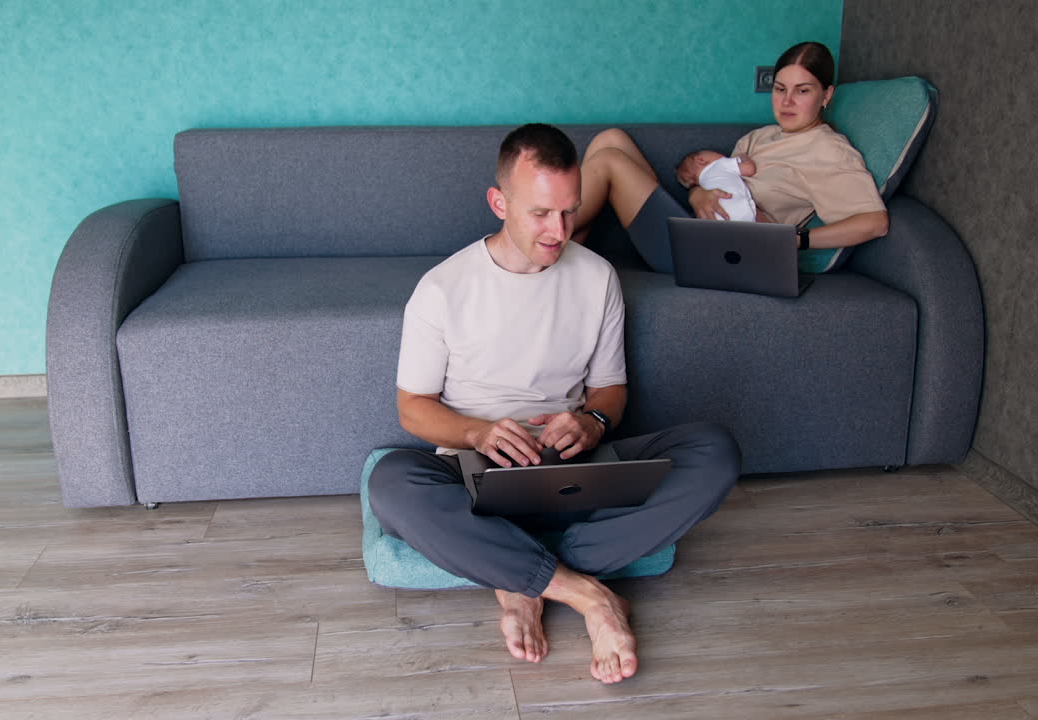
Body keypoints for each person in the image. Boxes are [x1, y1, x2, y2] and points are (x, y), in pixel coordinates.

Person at [368, 123, 740, 685]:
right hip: (474, 475)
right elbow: (413, 409)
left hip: (569, 467)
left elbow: (611, 391)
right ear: (500, 202)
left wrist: (591, 422)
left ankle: (516, 575)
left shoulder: (597, 277)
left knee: (715, 450)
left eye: (569, 211)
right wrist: (478, 434)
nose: (558, 230)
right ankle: (586, 593)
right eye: (541, 213)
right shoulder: (442, 288)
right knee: (391, 483)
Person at [573, 41, 890, 273]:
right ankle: (566, 249)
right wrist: (697, 194)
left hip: (721, 255)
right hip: (698, 230)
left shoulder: (829, 150)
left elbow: (875, 223)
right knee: (610, 139)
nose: (787, 102)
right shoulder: (760, 137)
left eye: (802, 91)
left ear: (827, 95)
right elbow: (718, 178)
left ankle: (535, 238)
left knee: (608, 162)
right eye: (780, 89)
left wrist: (795, 240)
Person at [673, 150, 758, 222]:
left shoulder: (703, 186)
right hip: (739, 210)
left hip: (712, 217)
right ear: (701, 160)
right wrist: (744, 157)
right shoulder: (718, 164)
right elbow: (749, 169)